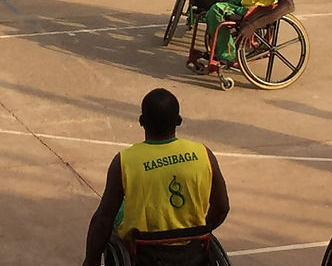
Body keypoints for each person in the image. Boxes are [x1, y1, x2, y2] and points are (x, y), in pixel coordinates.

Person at [81, 88, 229, 266]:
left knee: (115, 215)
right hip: (193, 252)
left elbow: (103, 221)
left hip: (143, 255)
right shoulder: (204, 154)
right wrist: (201, 231)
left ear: (142, 121)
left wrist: (91, 260)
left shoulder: (124, 161)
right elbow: (222, 207)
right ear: (179, 121)